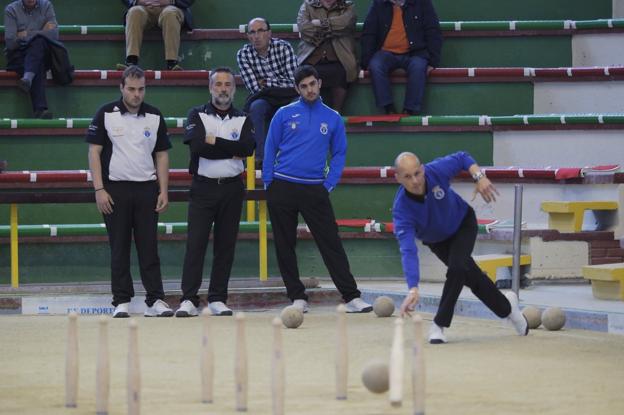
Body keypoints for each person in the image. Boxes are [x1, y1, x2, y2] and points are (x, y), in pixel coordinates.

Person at [262, 65, 372, 314]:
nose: (309, 89)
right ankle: (297, 297)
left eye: (312, 84)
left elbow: (340, 152)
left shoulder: (332, 117)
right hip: (283, 186)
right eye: (304, 86)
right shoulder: (283, 113)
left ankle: (351, 296)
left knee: (331, 243)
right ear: (297, 88)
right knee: (284, 243)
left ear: (319, 83)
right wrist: (269, 184)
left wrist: (329, 183)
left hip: (315, 189)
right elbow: (269, 148)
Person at [392, 151, 529, 343]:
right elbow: (408, 251)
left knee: (457, 268)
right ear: (397, 178)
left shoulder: (435, 171)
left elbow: (463, 157)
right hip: (437, 241)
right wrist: (413, 288)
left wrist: (479, 177)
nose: (415, 181)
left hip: (463, 224)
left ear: (422, 169)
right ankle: (508, 308)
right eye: (407, 176)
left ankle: (439, 325)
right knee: (470, 276)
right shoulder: (402, 211)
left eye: (417, 173)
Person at [86, 65, 174, 318]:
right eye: (132, 89)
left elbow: (162, 155)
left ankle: (155, 300)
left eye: (141, 89)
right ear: (121, 88)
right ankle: (121, 301)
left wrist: (164, 190)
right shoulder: (105, 114)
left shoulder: (155, 116)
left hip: (147, 189)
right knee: (119, 247)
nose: (137, 94)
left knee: (149, 247)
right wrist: (99, 189)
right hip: (115, 190)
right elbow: (94, 152)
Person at [175, 67, 255, 317]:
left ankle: (218, 297)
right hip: (203, 188)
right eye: (218, 84)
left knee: (225, 245)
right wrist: (231, 149)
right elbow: (199, 147)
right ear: (210, 88)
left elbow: (248, 149)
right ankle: (189, 299)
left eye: (227, 84)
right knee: (195, 244)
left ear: (234, 88)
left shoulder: (244, 118)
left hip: (232, 188)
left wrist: (215, 141)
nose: (223, 88)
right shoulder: (196, 114)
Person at [360, 0, 442, 115]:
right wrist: (366, 61)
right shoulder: (378, 4)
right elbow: (369, 33)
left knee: (418, 67)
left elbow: (433, 31)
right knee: (375, 65)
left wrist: (433, 62)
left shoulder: (422, 3)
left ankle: (409, 110)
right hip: (385, 53)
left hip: (415, 52)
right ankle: (388, 108)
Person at [236, 17, 298, 164]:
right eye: (252, 32)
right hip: (264, 98)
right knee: (256, 106)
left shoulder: (284, 47)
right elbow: (254, 87)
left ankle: (294, 156)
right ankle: (260, 158)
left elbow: (293, 82)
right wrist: (275, 84)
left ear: (269, 33)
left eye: (260, 31)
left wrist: (266, 82)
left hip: (288, 96)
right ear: (248, 36)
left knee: (297, 106)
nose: (256, 36)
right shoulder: (243, 54)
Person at [296, 0, 357, 113]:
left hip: (339, 57)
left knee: (341, 72)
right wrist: (332, 30)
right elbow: (304, 28)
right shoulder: (308, 5)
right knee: (306, 74)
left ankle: (335, 112)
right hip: (311, 58)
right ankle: (311, 112)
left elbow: (345, 23)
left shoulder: (347, 5)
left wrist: (317, 24)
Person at [4, 0, 58, 118]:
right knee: (37, 60)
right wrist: (42, 31)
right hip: (18, 57)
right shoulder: (11, 9)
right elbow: (10, 43)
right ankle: (40, 110)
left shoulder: (46, 6)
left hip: (40, 54)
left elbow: (54, 35)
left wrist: (24, 34)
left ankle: (27, 78)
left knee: (38, 44)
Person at [119, 0, 194, 70]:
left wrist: (170, 1)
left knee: (170, 13)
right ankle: (131, 61)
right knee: (134, 12)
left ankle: (172, 63)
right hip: (143, 6)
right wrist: (139, 1)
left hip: (172, 6)